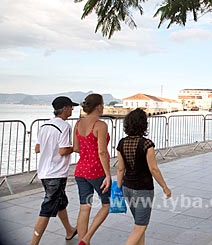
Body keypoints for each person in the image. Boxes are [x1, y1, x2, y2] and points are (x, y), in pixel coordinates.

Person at [117, 108, 172, 245]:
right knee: (141, 226)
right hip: (143, 189)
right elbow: (153, 169)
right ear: (143, 125)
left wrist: (118, 188)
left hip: (127, 188)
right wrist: (165, 187)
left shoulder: (122, 143)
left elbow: (120, 169)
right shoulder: (147, 144)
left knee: (139, 225)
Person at [31, 96, 79, 245]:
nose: (72, 109)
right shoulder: (64, 126)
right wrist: (76, 148)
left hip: (44, 172)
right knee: (47, 208)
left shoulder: (44, 126)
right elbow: (63, 150)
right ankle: (33, 243)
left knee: (60, 202)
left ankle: (69, 231)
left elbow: (38, 148)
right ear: (64, 108)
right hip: (56, 173)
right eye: (71, 107)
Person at [73, 94, 111, 245]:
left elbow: (76, 148)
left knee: (85, 207)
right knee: (106, 205)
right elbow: (102, 152)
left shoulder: (78, 124)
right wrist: (108, 174)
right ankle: (86, 239)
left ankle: (83, 242)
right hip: (96, 171)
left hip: (80, 170)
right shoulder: (100, 125)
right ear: (99, 106)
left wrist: (87, 151)